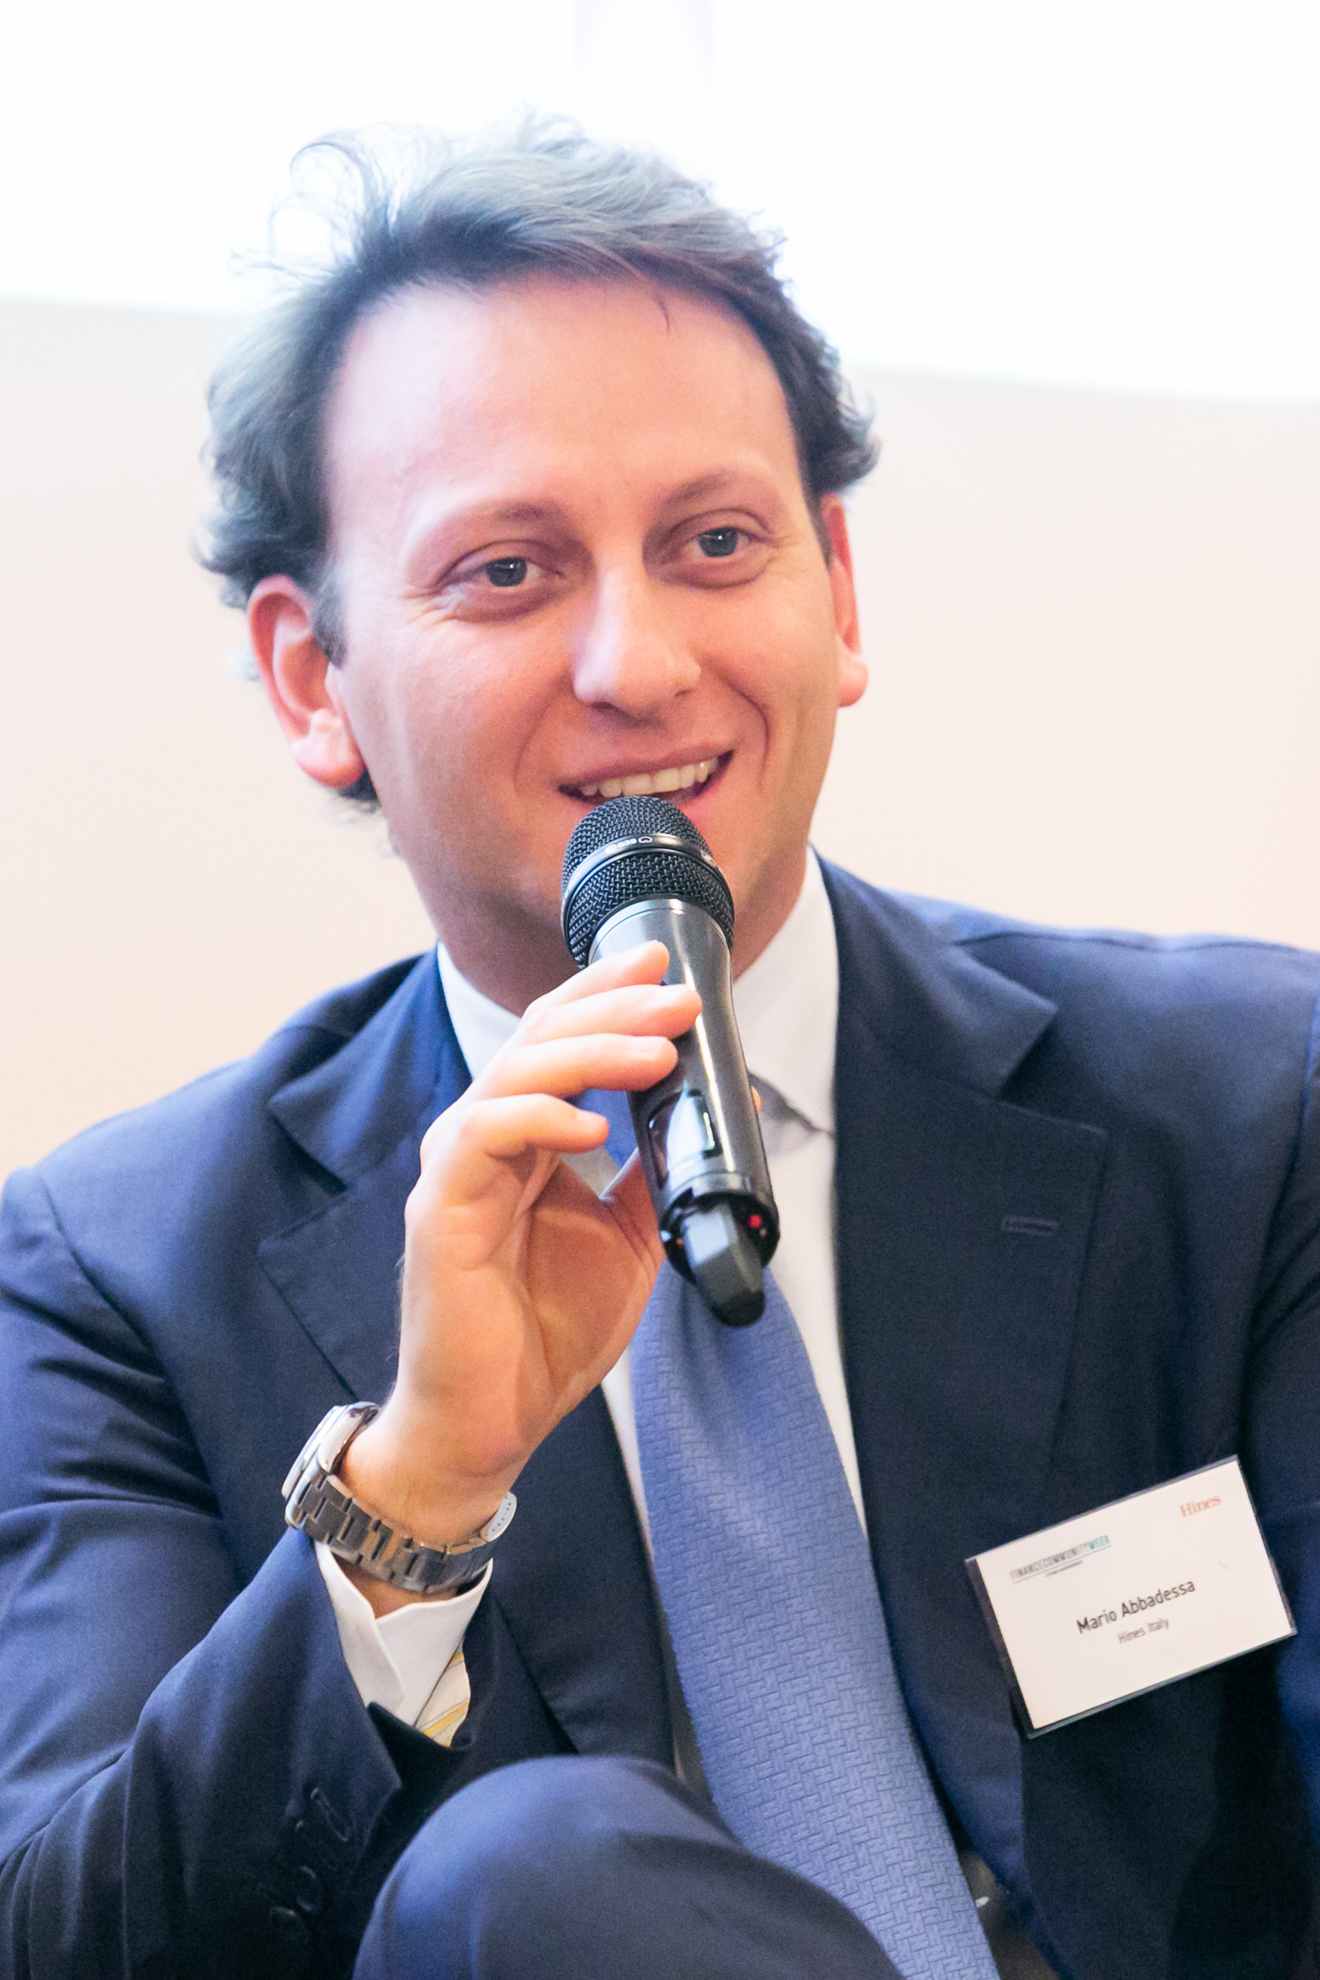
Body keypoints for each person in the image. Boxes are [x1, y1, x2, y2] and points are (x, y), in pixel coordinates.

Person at [2, 123, 1319, 1980]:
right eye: (507, 571)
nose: (636, 662)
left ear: (836, 590)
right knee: (530, 1870)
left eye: (715, 544)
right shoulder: (115, 1269)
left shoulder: (1252, 1110)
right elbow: (71, 1942)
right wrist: (417, 1489)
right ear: (313, 677)